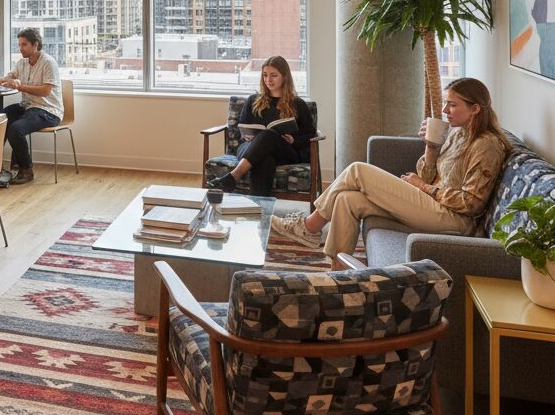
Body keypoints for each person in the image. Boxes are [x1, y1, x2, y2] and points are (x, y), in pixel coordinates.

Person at [271, 77, 511, 268]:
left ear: (475, 109)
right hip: (432, 203)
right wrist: (431, 148)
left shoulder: (486, 145)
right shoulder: (458, 132)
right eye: (446, 103)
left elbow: (472, 203)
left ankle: (310, 227)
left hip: (454, 220)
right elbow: (429, 174)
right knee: (348, 199)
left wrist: (423, 187)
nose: (445, 109)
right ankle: (338, 273)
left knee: (357, 170)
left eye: (452, 104)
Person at [211, 56, 315, 197]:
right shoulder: (253, 100)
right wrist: (245, 134)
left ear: (284, 77)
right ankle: (259, 210)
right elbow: (240, 127)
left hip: (285, 151)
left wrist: (294, 140)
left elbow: (310, 134)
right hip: (249, 148)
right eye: (265, 75)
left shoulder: (298, 104)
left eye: (274, 75)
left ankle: (234, 176)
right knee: (265, 159)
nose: (268, 80)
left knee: (269, 134)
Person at [0, 27, 63, 187]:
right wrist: (4, 80)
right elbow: (11, 76)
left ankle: (26, 169)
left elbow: (46, 91)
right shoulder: (22, 63)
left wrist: (20, 87)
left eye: (24, 45)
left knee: (16, 129)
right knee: (0, 119)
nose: (20, 48)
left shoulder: (48, 63)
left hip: (48, 110)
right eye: (19, 45)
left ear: (35, 44)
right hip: (28, 107)